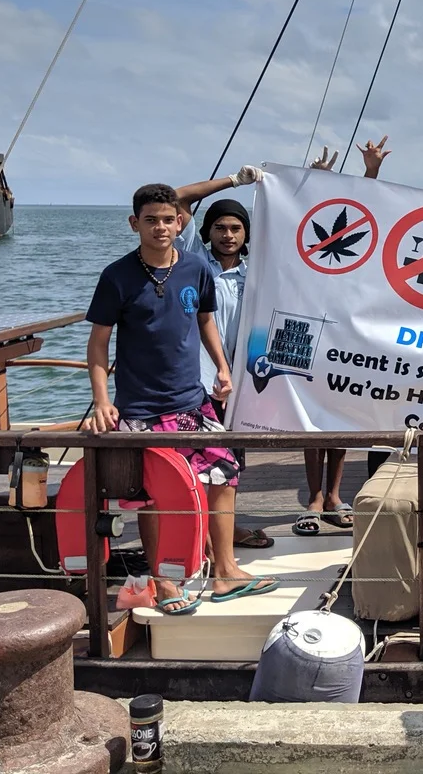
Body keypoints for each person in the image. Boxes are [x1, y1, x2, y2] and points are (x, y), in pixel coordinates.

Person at [86, 184, 276, 613]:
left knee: (225, 474)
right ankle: (164, 582)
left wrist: (222, 366)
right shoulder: (117, 276)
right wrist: (101, 400)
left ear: (180, 223)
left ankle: (225, 571)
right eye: (150, 220)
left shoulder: (195, 268)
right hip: (141, 410)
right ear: (134, 224)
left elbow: (205, 319)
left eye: (168, 219)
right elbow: (98, 343)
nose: (160, 227)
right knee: (153, 496)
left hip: (193, 402)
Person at [296, 140, 393, 533]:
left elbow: (361, 211)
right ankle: (314, 496)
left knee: (339, 419)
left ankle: (334, 495)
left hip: (346, 336)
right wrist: (317, 179)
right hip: (308, 332)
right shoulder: (305, 235)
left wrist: (371, 171)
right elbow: (296, 212)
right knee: (308, 422)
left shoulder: (359, 240)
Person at [172, 164, 270, 550]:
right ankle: (200, 536)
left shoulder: (255, 272)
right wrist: (233, 181)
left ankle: (226, 530)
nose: (228, 235)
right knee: (198, 458)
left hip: (239, 381)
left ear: (246, 234)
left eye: (236, 228)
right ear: (207, 232)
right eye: (220, 227)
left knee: (231, 459)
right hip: (197, 377)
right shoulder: (192, 260)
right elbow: (178, 198)